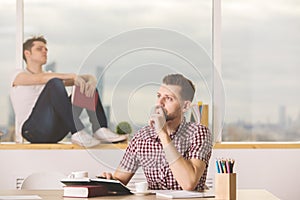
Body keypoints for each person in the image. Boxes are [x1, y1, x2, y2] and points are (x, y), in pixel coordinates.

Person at [101, 74, 212, 191]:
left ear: (185, 106)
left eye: (169, 98)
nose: (159, 103)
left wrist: (162, 134)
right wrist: (107, 181)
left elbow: (189, 183)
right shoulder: (142, 137)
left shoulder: (198, 133)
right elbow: (120, 181)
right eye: (159, 96)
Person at [10, 36, 127, 147]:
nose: (44, 51)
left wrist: (91, 79)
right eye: (39, 49)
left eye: (46, 49)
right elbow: (40, 79)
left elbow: (81, 80)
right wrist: (72, 76)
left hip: (56, 132)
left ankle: (100, 129)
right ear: (27, 53)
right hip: (32, 130)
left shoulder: (51, 77)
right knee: (55, 82)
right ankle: (77, 131)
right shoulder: (19, 76)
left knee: (85, 88)